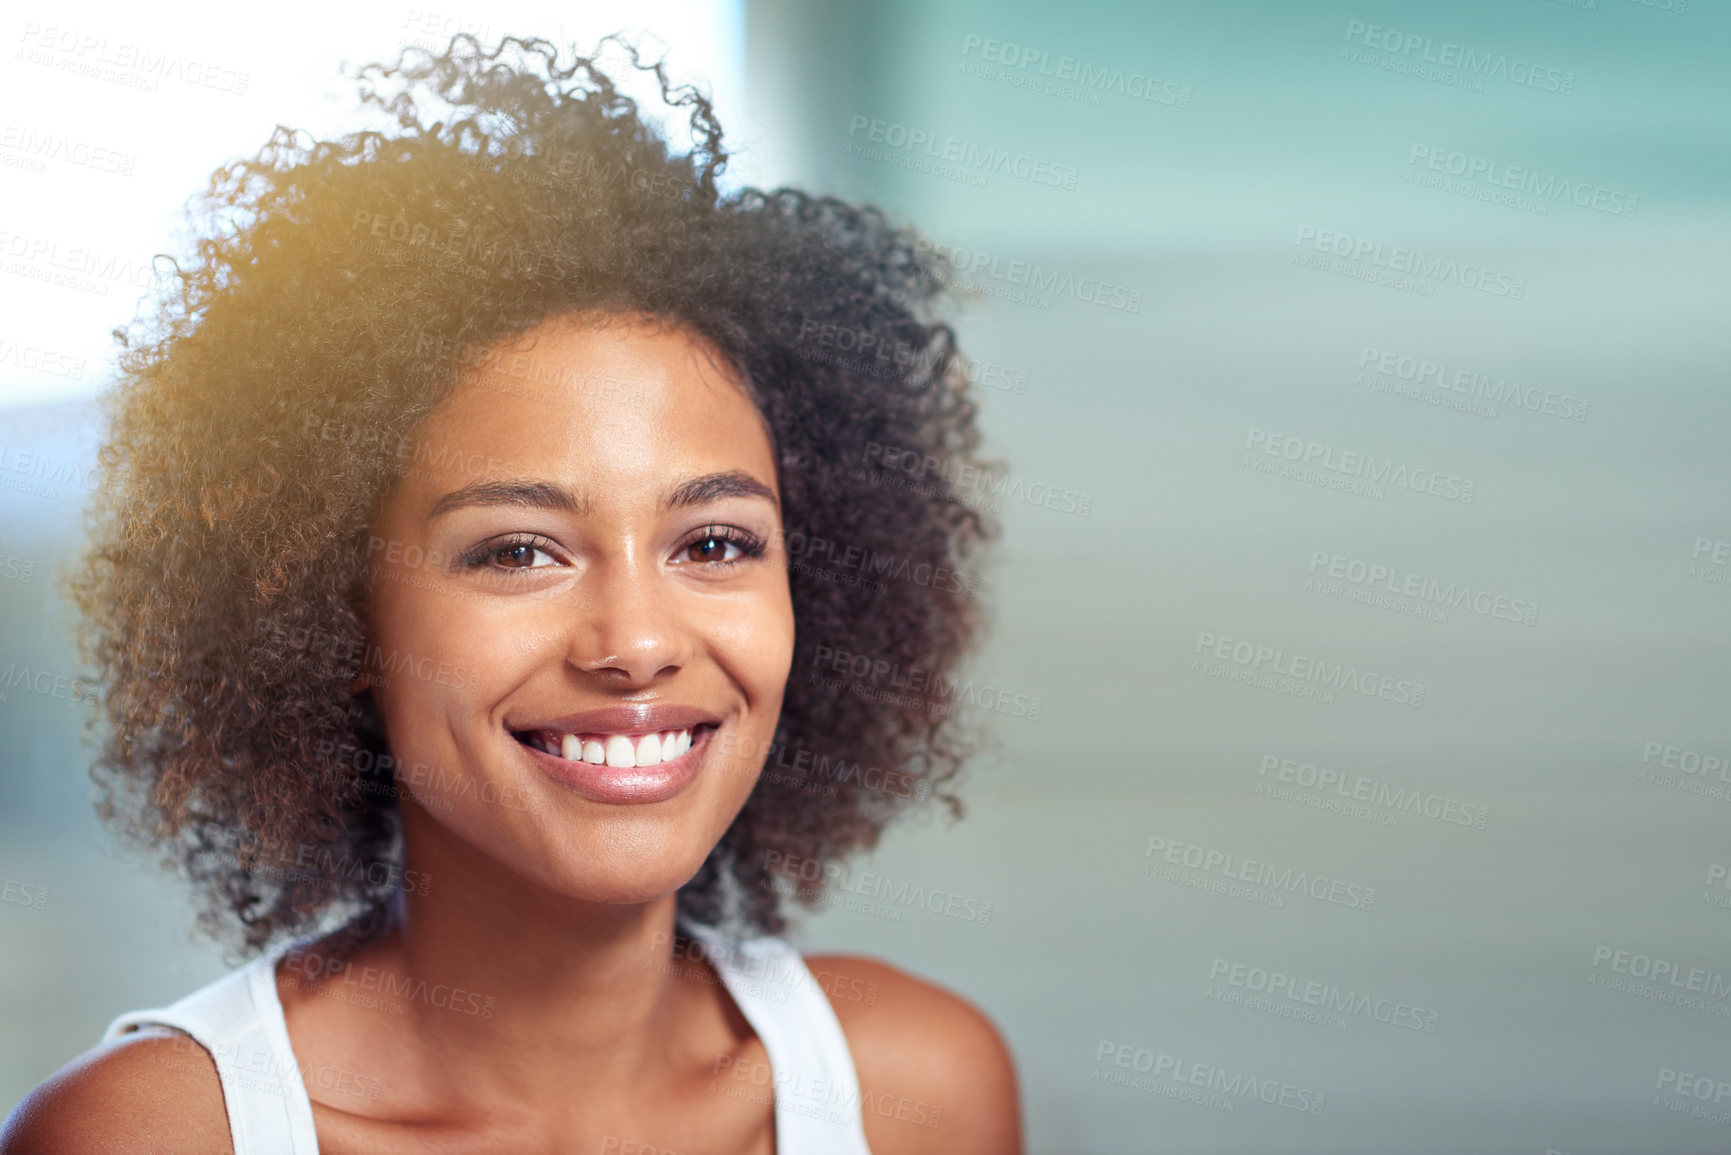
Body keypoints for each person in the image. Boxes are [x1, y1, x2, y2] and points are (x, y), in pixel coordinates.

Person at [1, 32, 1021, 1155]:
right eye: (519, 552)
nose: (635, 642)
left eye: (717, 542)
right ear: (337, 615)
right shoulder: (150, 1136)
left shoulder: (918, 1093)